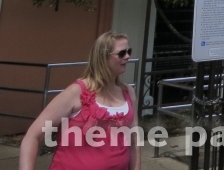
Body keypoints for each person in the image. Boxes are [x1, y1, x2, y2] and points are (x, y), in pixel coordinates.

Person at [19, 31, 139, 170]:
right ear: (103, 58)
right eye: (122, 53)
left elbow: (133, 141)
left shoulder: (128, 92)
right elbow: (32, 137)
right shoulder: (75, 92)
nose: (128, 56)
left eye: (129, 51)